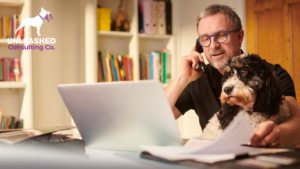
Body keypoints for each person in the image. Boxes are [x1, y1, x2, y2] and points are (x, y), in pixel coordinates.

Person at [165, 4, 300, 147]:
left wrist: (275, 135)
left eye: (221, 35)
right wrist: (182, 78)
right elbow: (154, 119)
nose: (213, 46)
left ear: (239, 37)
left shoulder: (273, 74)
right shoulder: (197, 79)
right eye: (205, 39)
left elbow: (297, 123)